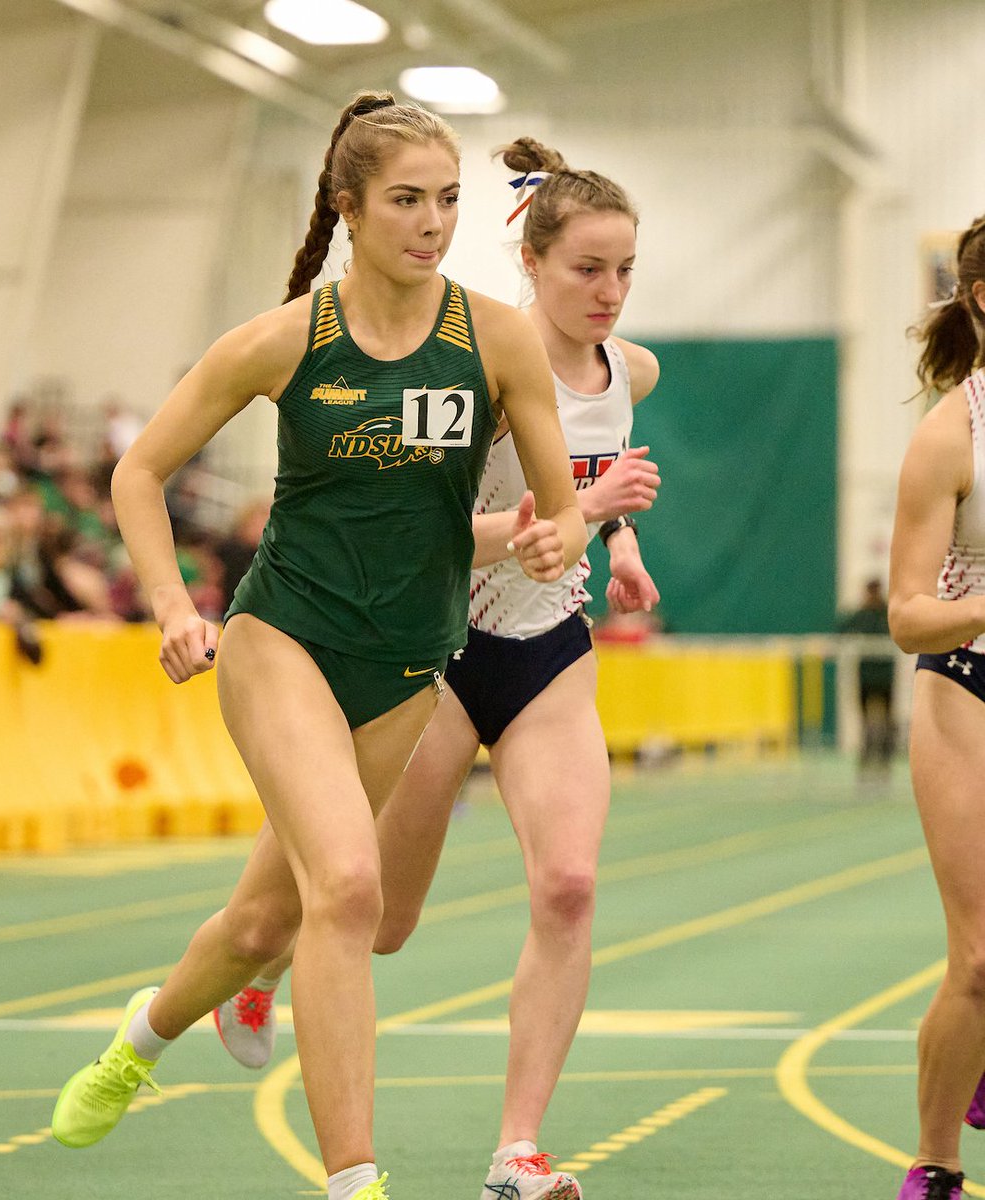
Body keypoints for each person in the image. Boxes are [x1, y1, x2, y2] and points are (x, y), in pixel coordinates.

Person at [49, 91, 586, 1200]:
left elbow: (556, 502)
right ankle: (356, 1182)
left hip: (407, 660)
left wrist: (556, 538)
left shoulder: (496, 338)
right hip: (281, 636)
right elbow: (136, 472)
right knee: (348, 887)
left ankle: (134, 1046)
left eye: (446, 199)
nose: (431, 222)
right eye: (405, 200)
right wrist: (171, 604)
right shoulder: (287, 340)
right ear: (348, 208)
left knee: (265, 918)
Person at [214, 137, 662, 1200]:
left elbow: (608, 481)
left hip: (550, 650)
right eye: (587, 271)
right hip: (437, 654)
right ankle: (263, 960)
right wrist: (581, 513)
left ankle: (516, 1151)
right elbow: (436, 529)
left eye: (626, 271)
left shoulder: (630, 370)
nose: (609, 294)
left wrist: (624, 545)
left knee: (568, 883)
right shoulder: (478, 366)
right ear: (532, 264)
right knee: (383, 917)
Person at [887, 212, 985, 1200]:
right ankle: (938, 1168)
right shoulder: (949, 436)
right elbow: (910, 616)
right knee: (981, 961)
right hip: (968, 685)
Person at [838, 577, 896, 779]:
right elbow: (841, 629)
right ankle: (865, 759)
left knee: (887, 720)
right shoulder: (861, 615)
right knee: (865, 722)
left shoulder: (888, 613)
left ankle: (885, 760)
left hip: (885, 677)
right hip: (865, 677)